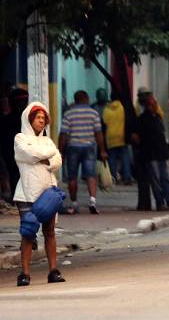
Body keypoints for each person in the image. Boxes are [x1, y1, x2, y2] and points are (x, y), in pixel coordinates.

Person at [14, 102, 65, 287]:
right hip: (26, 193)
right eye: (38, 118)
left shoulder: (48, 140)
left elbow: (57, 160)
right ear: (29, 119)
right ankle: (24, 274)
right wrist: (47, 155)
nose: (41, 121)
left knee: (49, 232)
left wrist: (46, 156)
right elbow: (27, 153)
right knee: (28, 233)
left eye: (44, 119)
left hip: (48, 194)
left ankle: (53, 271)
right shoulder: (20, 138)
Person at [59, 90, 107, 215]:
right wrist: (102, 150)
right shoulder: (94, 113)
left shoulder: (68, 114)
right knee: (91, 175)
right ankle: (92, 201)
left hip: (73, 147)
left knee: (72, 176)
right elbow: (98, 133)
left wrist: (60, 151)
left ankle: (74, 203)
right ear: (86, 99)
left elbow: (63, 134)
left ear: (75, 100)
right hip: (89, 147)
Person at [135, 94, 169, 212]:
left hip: (161, 154)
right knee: (156, 181)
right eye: (152, 104)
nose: (154, 106)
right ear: (147, 106)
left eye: (155, 104)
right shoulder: (142, 119)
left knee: (165, 179)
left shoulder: (157, 117)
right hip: (151, 155)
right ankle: (160, 202)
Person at [102, 95, 132, 185]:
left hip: (110, 137)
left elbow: (105, 122)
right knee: (125, 158)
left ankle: (114, 178)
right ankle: (127, 178)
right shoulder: (123, 107)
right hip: (122, 136)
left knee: (112, 159)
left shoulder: (106, 109)